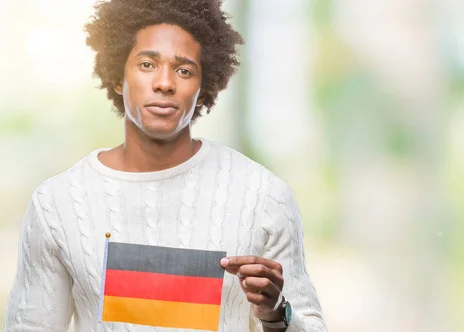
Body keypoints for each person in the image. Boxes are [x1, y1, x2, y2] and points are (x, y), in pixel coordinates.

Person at [5, 0, 327, 331]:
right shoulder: (57, 204)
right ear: (119, 77)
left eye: (184, 70)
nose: (164, 83)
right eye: (147, 64)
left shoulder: (263, 196)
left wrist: (276, 313)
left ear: (202, 90)